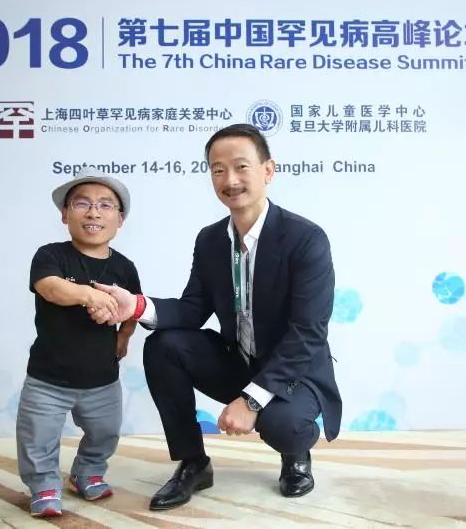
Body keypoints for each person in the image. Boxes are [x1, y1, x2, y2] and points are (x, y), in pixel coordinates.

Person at [93, 124, 342, 511]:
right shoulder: (210, 240)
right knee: (164, 344)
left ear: (268, 170)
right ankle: (192, 462)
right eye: (218, 170)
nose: (230, 180)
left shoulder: (305, 239)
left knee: (284, 425)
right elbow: (193, 309)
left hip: (294, 372)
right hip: (238, 360)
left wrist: (251, 402)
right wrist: (137, 306)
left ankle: (296, 455)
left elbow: (307, 334)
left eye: (241, 167)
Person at [16, 166, 141, 518]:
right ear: (65, 214)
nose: (93, 212)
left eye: (105, 205)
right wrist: (89, 295)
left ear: (119, 220)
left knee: (105, 433)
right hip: (48, 378)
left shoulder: (125, 267)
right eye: (82, 203)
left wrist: (124, 335)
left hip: (102, 378)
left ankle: (87, 472)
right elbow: (50, 288)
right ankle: (43, 486)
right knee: (37, 437)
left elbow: (134, 307)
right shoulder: (51, 255)